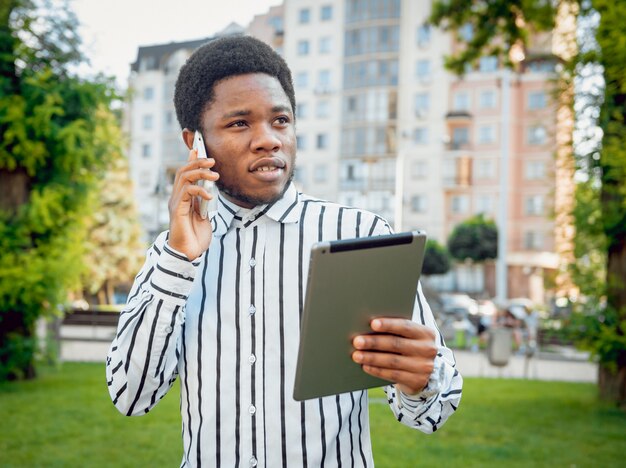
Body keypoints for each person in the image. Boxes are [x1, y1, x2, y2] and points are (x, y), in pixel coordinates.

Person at [106, 35, 462, 467]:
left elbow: (430, 412)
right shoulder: (171, 255)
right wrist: (180, 260)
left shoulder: (361, 235)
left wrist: (421, 379)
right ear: (194, 143)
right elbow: (130, 394)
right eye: (240, 124)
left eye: (280, 120)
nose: (268, 140)